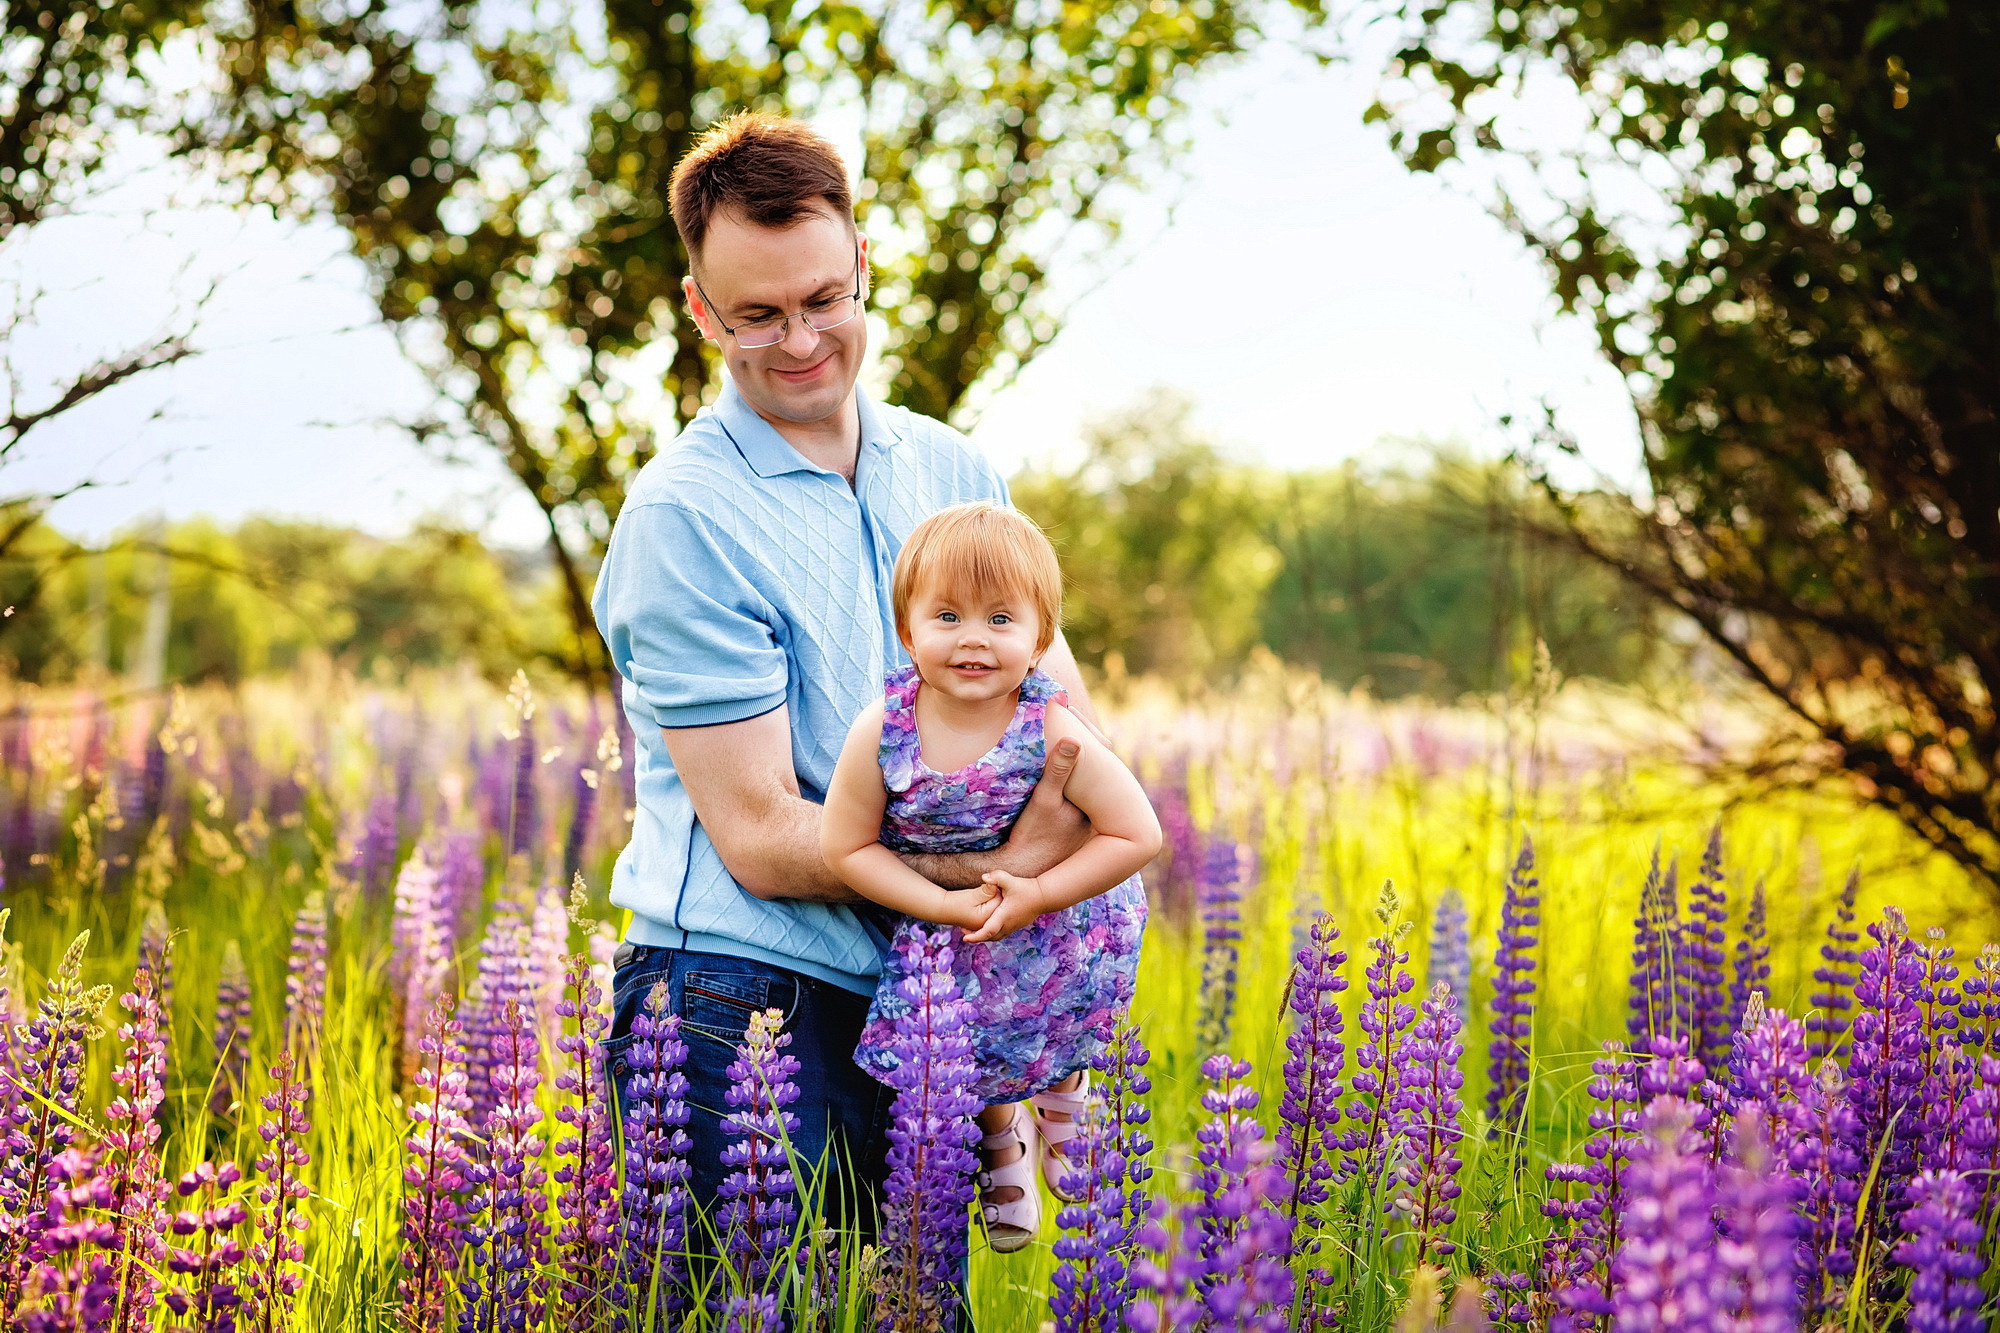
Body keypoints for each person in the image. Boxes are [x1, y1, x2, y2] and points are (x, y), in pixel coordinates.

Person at [590, 111, 1109, 1248]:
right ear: (700, 311)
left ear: (863, 262)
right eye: (756, 317)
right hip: (736, 1002)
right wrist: (1006, 872)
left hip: (925, 996)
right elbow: (763, 832)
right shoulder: (684, 516)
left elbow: (1064, 718)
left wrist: (1025, 900)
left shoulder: (952, 465)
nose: (799, 341)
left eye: (823, 299)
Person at [820, 501, 1156, 1251]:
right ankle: (999, 1129)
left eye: (1002, 619)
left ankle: (1064, 1089)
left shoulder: (1053, 725)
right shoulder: (882, 728)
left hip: (1059, 920)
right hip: (951, 923)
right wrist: (938, 902)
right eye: (947, 615)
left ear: (1041, 641)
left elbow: (1138, 830)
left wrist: (1037, 891)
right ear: (907, 632)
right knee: (957, 1040)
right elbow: (845, 846)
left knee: (1055, 1017)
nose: (973, 637)